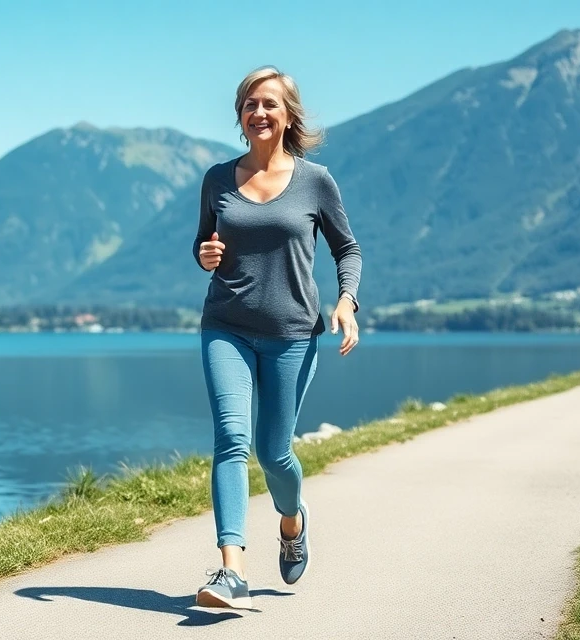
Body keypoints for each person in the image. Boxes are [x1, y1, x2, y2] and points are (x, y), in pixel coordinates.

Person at [191, 66, 362, 609]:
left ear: (288, 115)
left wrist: (346, 301)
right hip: (226, 326)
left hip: (292, 333)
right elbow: (203, 244)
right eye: (249, 104)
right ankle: (231, 570)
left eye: (269, 104)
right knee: (231, 441)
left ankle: (291, 523)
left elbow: (347, 250)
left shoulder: (316, 180)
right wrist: (205, 256)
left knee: (274, 451)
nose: (258, 112)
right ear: (240, 116)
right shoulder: (218, 178)